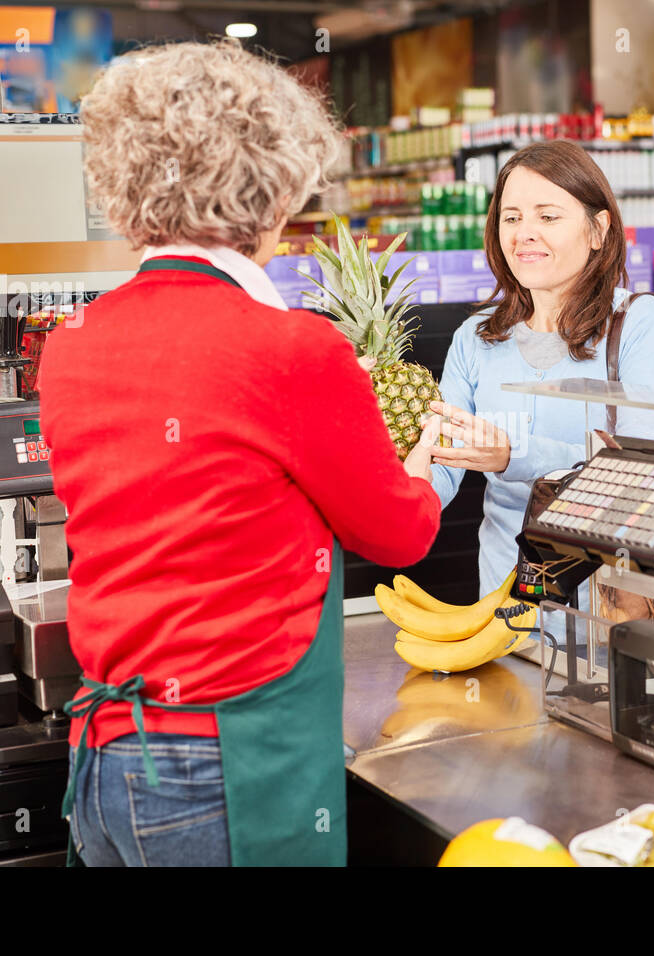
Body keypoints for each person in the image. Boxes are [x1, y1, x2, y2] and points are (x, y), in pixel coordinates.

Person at [38, 41, 441, 867]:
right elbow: (399, 536)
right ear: (278, 184)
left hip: (105, 758)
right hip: (230, 769)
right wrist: (423, 459)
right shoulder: (293, 349)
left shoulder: (73, 344)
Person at [424, 140, 654, 598]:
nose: (524, 233)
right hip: (502, 610)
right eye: (511, 217)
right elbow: (440, 469)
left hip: (603, 611)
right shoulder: (475, 338)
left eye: (547, 216)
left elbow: (643, 472)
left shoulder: (640, 323)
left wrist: (513, 455)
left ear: (597, 229)